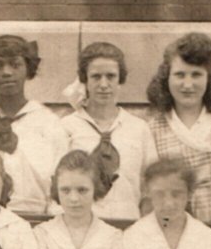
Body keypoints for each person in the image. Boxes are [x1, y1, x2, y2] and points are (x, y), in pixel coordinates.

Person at [146, 32, 211, 224]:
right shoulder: (153, 127)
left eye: (196, 75)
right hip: (177, 227)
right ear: (166, 78)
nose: (188, 84)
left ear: (208, 78)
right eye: (179, 75)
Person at [0, 35, 68, 215]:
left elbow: (61, 181)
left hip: (36, 217)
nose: (6, 72)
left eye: (15, 65)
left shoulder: (48, 122)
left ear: (28, 69)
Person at [62, 41, 158, 226]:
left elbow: (151, 189)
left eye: (111, 76)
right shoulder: (66, 127)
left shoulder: (139, 129)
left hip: (128, 226)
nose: (103, 84)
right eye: (96, 77)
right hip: (81, 227)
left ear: (120, 79)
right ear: (85, 81)